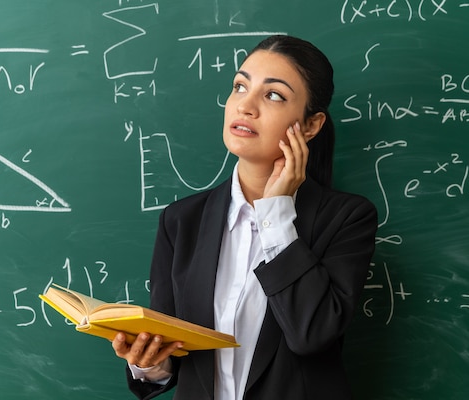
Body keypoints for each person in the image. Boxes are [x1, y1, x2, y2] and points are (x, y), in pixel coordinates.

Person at [112, 35, 378, 400]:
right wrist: (151, 366)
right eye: (240, 86)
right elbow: (170, 350)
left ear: (312, 125)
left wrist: (276, 213)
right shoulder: (180, 221)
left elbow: (310, 335)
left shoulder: (347, 218)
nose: (246, 106)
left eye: (273, 95)